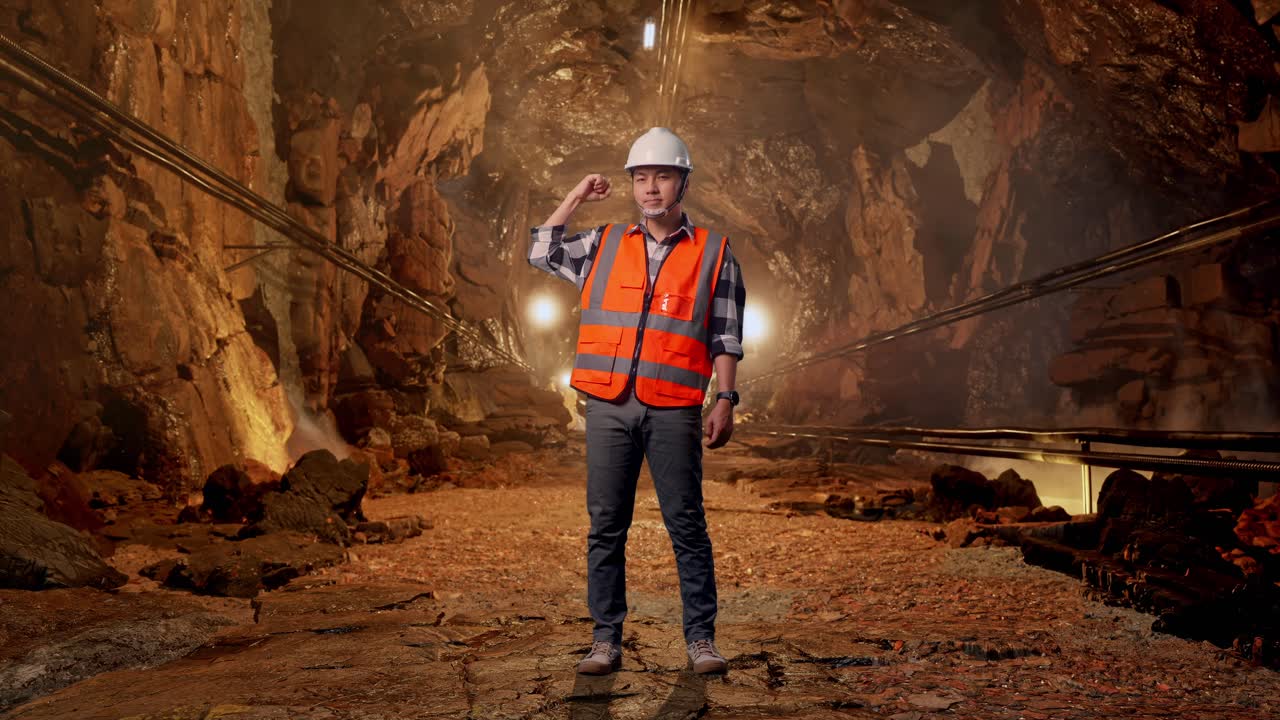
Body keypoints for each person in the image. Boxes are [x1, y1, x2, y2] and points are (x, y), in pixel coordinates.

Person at [528, 127, 746, 675]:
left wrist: (726, 398)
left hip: (674, 405)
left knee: (686, 524)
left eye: (663, 176)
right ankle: (605, 640)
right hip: (608, 404)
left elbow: (725, 333)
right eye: (641, 177)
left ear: (683, 183)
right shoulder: (603, 243)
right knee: (606, 525)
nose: (651, 188)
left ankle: (701, 640)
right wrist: (577, 194)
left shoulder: (714, 252)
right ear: (632, 185)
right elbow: (541, 250)